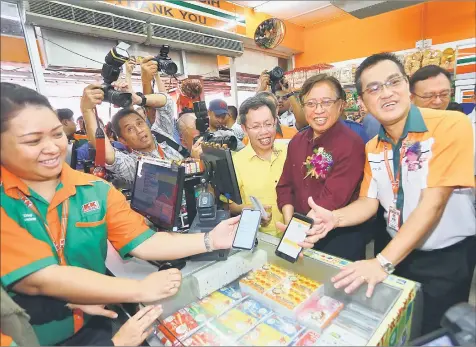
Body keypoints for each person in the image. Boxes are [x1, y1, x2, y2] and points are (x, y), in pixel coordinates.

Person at [0, 82, 241, 345]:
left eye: (57, 134)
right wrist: (139, 290)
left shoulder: (95, 190)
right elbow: (38, 279)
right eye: (33, 140)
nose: (52, 148)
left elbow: (143, 240)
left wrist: (210, 240)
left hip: (95, 320)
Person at [304, 53, 475, 336]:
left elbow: (433, 203)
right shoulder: (373, 146)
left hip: (444, 259)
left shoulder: (450, 125)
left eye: (393, 81)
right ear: (362, 101)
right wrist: (334, 218)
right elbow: (369, 202)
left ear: (407, 86)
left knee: (436, 334)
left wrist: (382, 262)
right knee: (401, 328)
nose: (386, 93)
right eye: (373, 88)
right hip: (399, 255)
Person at [276, 74, 366, 261]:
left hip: (337, 239)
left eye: (326, 102)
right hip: (301, 230)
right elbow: (285, 186)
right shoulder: (297, 141)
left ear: (340, 105)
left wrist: (297, 233)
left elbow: (332, 199)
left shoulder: (350, 144)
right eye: (311, 104)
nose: (318, 110)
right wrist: (289, 224)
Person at [81, 84, 197, 184]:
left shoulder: (163, 134)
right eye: (130, 129)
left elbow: (167, 102)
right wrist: (86, 110)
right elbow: (105, 152)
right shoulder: (132, 165)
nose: (139, 130)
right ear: (123, 140)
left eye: (140, 123)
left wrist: (138, 99)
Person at [227, 95, 287, 237]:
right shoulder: (235, 163)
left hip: (295, 236)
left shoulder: (289, 151)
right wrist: (250, 211)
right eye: (255, 126)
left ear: (275, 122)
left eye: (268, 124)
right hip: (261, 239)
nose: (264, 132)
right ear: (244, 129)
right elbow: (229, 203)